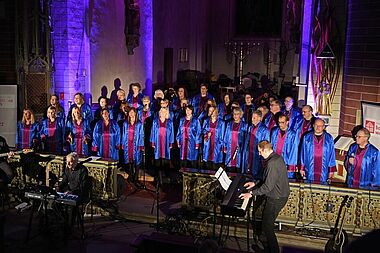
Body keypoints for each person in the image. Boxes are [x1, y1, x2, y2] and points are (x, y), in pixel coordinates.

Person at [240, 140, 289, 253]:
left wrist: (250, 193)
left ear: (265, 150)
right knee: (266, 225)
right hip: (278, 196)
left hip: (276, 198)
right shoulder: (276, 158)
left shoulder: (272, 163)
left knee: (267, 227)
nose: (259, 154)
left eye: (260, 151)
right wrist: (255, 183)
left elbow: (267, 187)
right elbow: (267, 178)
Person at [299, 118, 337, 183]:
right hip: (309, 167)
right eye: (316, 125)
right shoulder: (306, 137)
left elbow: (332, 155)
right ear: (313, 125)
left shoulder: (329, 138)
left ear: (324, 127)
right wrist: (302, 168)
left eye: (320, 126)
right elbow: (302, 153)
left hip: (324, 169)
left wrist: (331, 170)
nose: (318, 127)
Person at [242, 110, 270, 178]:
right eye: (252, 117)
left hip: (257, 154)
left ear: (260, 118)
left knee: (256, 172)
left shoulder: (264, 130)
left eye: (254, 118)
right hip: (249, 153)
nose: (252, 119)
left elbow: (266, 145)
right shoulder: (250, 127)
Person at [150, 107, 174, 183]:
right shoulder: (155, 121)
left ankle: (166, 176)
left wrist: (171, 143)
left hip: (166, 143)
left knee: (165, 159)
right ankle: (158, 176)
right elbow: (152, 132)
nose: (163, 113)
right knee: (157, 159)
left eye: (164, 112)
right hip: (157, 142)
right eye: (161, 111)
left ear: (166, 113)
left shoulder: (170, 122)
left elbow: (172, 133)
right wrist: (153, 142)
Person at [270, 114, 298, 178]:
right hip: (274, 161)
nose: (280, 125)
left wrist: (291, 166)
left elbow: (294, 151)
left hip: (286, 162)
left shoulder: (292, 134)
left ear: (287, 122)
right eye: (279, 122)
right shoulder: (274, 132)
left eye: (282, 122)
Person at [121, 108, 144, 181]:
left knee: (137, 159)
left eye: (132, 112)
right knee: (129, 159)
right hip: (128, 143)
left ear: (135, 113)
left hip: (136, 143)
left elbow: (141, 134)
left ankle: (136, 176)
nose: (131, 114)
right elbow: (124, 134)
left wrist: (141, 144)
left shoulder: (139, 123)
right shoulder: (125, 123)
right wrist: (123, 143)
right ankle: (131, 174)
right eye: (130, 112)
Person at [223, 107, 248, 172]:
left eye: (237, 114)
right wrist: (225, 146)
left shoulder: (245, 125)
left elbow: (246, 138)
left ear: (240, 115)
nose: (235, 115)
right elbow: (226, 136)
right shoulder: (229, 124)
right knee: (229, 167)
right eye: (234, 114)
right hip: (230, 148)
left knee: (238, 166)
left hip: (239, 149)